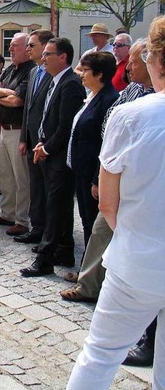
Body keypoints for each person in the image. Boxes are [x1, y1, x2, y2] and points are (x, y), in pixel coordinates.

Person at [65, 15, 165, 389]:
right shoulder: (130, 112)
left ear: (155, 59)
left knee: (101, 353)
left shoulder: (130, 115)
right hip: (141, 253)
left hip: (137, 259)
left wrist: (141, 234)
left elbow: (108, 203)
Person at [60, 38, 154, 304]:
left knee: (104, 230)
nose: (128, 68)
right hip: (103, 172)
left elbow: (107, 139)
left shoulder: (119, 97)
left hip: (125, 179)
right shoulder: (130, 91)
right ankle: (91, 280)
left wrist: (97, 178)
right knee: (96, 229)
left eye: (134, 62)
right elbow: (110, 135)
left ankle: (99, 284)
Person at [20, 37, 86, 277]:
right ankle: (64, 249)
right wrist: (40, 141)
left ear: (63, 57)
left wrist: (46, 148)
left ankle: (44, 259)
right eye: (44, 54)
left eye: (48, 54)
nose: (43, 58)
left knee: (56, 207)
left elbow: (65, 127)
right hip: (47, 151)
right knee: (58, 205)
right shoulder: (53, 80)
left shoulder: (70, 84)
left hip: (59, 157)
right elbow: (47, 116)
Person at [0, 33, 35, 236]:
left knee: (21, 177)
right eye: (10, 46)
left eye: (15, 46)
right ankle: (7, 213)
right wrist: (7, 94)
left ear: (27, 48)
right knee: (6, 176)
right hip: (5, 129)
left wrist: (2, 94)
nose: (11, 49)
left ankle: (22, 219)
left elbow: (18, 101)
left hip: (18, 130)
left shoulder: (30, 71)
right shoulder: (9, 70)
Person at [67, 52, 118, 254]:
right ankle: (87, 270)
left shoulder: (110, 100)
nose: (81, 74)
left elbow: (107, 143)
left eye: (86, 70)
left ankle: (91, 275)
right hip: (81, 170)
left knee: (93, 224)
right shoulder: (92, 97)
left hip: (93, 174)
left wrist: (97, 179)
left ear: (99, 74)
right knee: (86, 220)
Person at [16, 29, 55, 245]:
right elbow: (28, 109)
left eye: (32, 45)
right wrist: (23, 137)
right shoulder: (34, 72)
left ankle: (49, 233)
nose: (28, 49)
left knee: (48, 190)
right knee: (36, 188)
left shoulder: (52, 74)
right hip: (31, 140)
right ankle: (37, 228)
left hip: (46, 143)